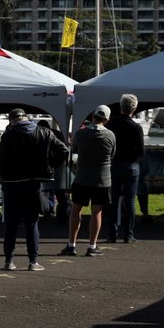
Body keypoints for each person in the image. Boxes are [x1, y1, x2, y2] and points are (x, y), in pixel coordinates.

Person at [0, 108, 68, 272]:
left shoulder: (8, 135)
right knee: (32, 223)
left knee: (11, 224)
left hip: (13, 184)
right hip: (34, 183)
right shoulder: (44, 132)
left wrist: (3, 175)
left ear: (12, 120)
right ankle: (33, 261)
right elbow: (64, 151)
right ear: (26, 118)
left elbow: (0, 159)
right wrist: (50, 166)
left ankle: (9, 260)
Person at [61, 105, 115, 257]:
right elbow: (112, 155)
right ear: (106, 119)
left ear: (93, 116)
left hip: (82, 177)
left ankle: (71, 244)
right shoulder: (110, 135)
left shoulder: (81, 133)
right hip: (102, 179)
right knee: (96, 212)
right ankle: (92, 245)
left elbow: (75, 152)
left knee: (76, 210)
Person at [104, 94, 145, 243]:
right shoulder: (136, 127)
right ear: (134, 109)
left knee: (112, 200)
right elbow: (141, 151)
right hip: (131, 165)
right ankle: (128, 234)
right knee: (130, 200)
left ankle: (111, 233)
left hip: (114, 164)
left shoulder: (111, 124)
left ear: (121, 106)